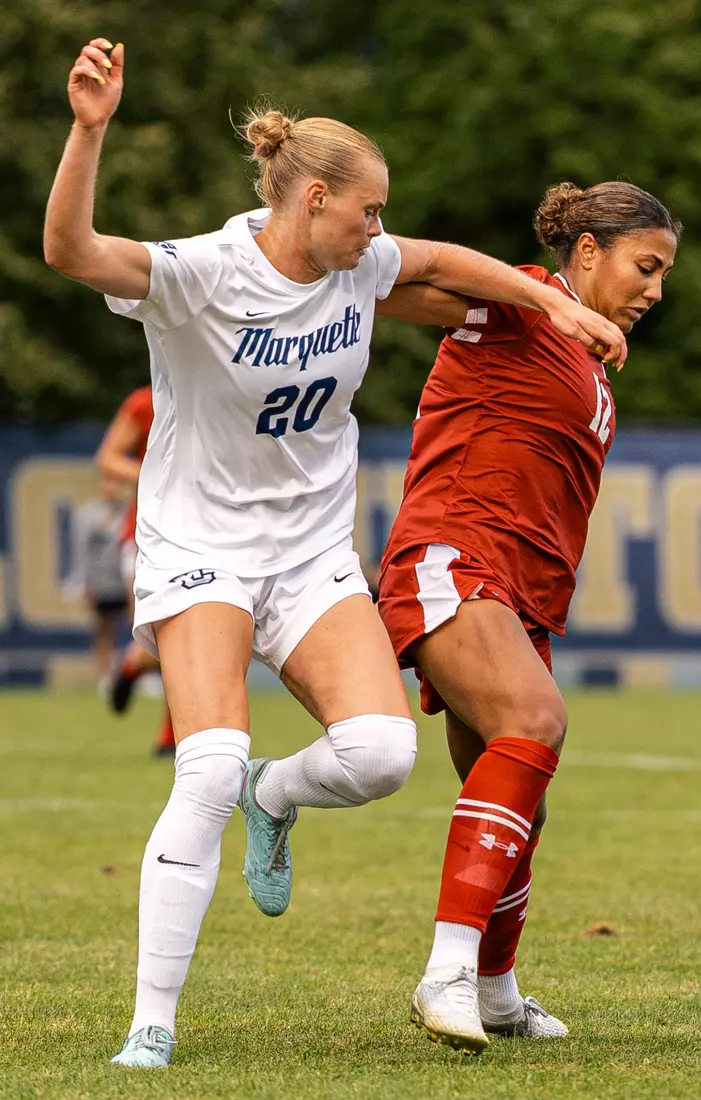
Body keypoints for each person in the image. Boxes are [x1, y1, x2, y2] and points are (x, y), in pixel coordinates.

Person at [44, 39, 628, 1069]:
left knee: (383, 753)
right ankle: (152, 1019)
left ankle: (282, 795)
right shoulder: (203, 274)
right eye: (368, 209)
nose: (379, 228)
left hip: (311, 554)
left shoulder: (359, 266)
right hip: (204, 552)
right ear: (312, 198)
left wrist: (555, 304)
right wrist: (89, 131)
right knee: (209, 760)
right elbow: (74, 252)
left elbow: (447, 264)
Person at [377, 180, 680, 1052]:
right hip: (453, 560)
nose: (655, 288)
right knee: (537, 719)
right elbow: (382, 279)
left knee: (522, 798)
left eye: (663, 273)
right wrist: (548, 300)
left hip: (521, 597)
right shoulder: (514, 304)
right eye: (644, 265)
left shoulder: (592, 362)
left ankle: (499, 993)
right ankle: (445, 975)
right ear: (586, 251)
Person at [96, 384, 176, 755]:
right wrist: (155, 474)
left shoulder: (229, 386)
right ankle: (131, 667)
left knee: (194, 633)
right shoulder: (146, 402)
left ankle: (171, 736)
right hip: (148, 534)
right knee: (160, 635)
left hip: (211, 533)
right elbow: (109, 457)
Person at [64, 472, 129, 688]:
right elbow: (81, 551)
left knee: (139, 628)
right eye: (107, 481)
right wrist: (84, 583)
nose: (112, 486)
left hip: (127, 579)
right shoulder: (87, 514)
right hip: (102, 583)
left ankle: (136, 673)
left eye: (116, 482)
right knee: (103, 629)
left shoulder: (129, 511)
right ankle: (105, 677)